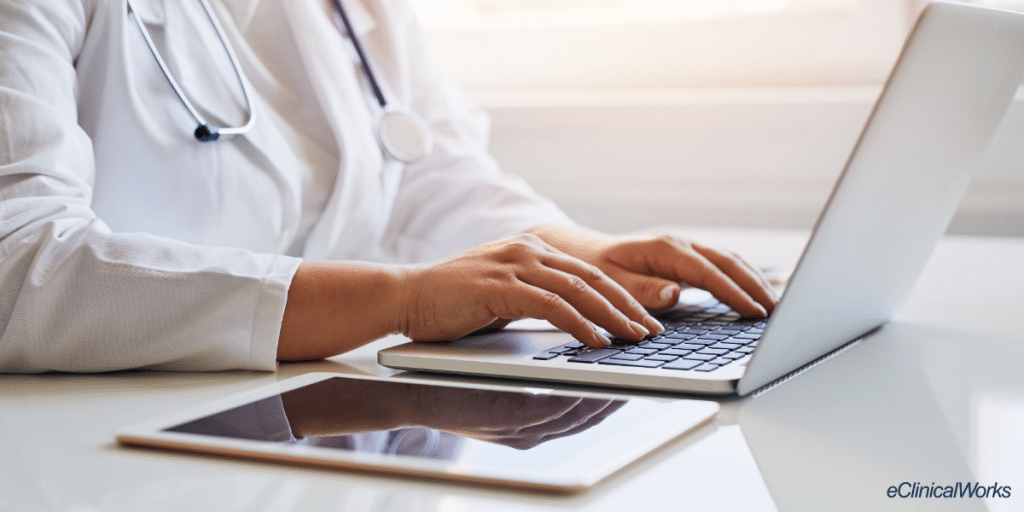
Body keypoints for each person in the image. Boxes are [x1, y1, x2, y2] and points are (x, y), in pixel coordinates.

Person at [0, 0, 777, 373]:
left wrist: (581, 256)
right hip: (98, 439)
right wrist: (399, 299)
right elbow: (17, 263)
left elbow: (428, 176)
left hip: (287, 415)